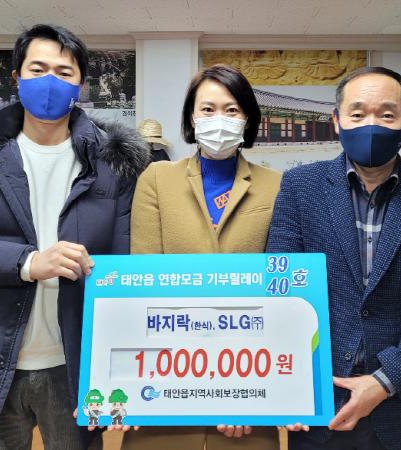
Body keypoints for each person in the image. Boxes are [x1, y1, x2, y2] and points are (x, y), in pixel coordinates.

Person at [0, 24, 149, 450]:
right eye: (38, 69)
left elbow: (125, 267)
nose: (50, 82)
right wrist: (27, 263)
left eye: (64, 72)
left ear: (80, 84)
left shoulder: (112, 163)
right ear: (16, 77)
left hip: (73, 367)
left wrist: (120, 374)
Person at [267, 66, 401, 450]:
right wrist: (288, 383)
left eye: (387, 114)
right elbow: (280, 290)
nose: (372, 126)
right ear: (337, 120)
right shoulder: (300, 187)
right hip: (317, 404)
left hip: (400, 409)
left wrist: (383, 381)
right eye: (358, 114)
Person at [122, 64, 284, 449]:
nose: (219, 119)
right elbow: (145, 281)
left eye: (232, 110)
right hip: (166, 376)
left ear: (248, 119)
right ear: (192, 118)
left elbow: (281, 291)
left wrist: (249, 391)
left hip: (249, 378)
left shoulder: (276, 185)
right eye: (207, 109)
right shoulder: (157, 179)